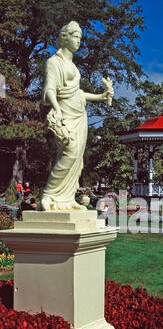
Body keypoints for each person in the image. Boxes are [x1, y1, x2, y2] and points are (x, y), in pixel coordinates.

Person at [41, 21, 114, 211]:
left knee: (77, 158)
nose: (79, 41)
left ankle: (66, 199)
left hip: (80, 114)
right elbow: (50, 89)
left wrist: (101, 96)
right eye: (75, 36)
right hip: (65, 113)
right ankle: (49, 195)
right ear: (65, 37)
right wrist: (56, 108)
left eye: (81, 38)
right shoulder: (54, 62)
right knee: (69, 152)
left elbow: (79, 93)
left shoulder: (73, 66)